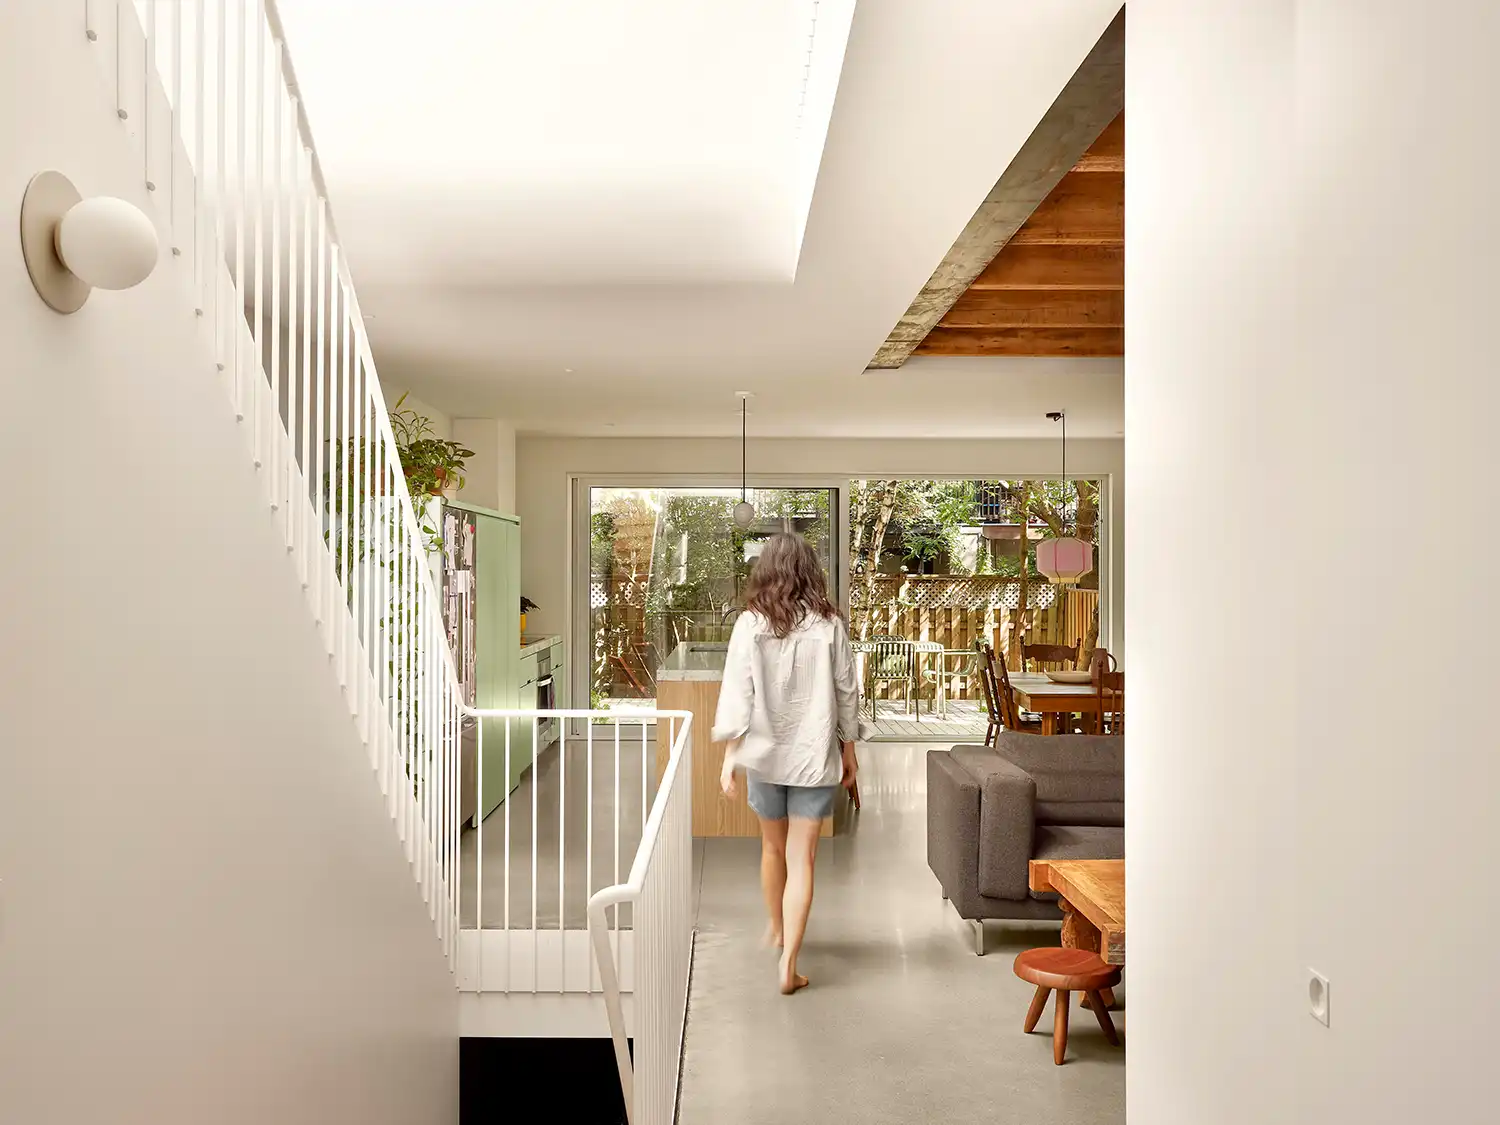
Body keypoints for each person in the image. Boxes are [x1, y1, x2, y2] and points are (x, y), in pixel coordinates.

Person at [713, 532, 860, 995]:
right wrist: (850, 750)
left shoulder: (750, 623)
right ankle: (789, 963)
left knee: (772, 851)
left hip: (764, 755)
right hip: (814, 755)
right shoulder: (829, 624)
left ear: (767, 571)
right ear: (810, 571)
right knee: (803, 860)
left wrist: (728, 757)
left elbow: (737, 692)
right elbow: (847, 692)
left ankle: (776, 929)